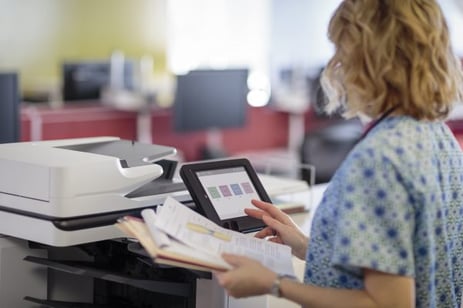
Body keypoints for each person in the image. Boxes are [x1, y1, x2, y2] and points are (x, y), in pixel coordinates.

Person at [215, 0, 463, 307]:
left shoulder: (380, 159)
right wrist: (308, 248)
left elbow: (389, 304)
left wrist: (274, 283)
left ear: (366, 59)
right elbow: (399, 260)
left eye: (340, 50)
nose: (336, 65)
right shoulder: (438, 137)